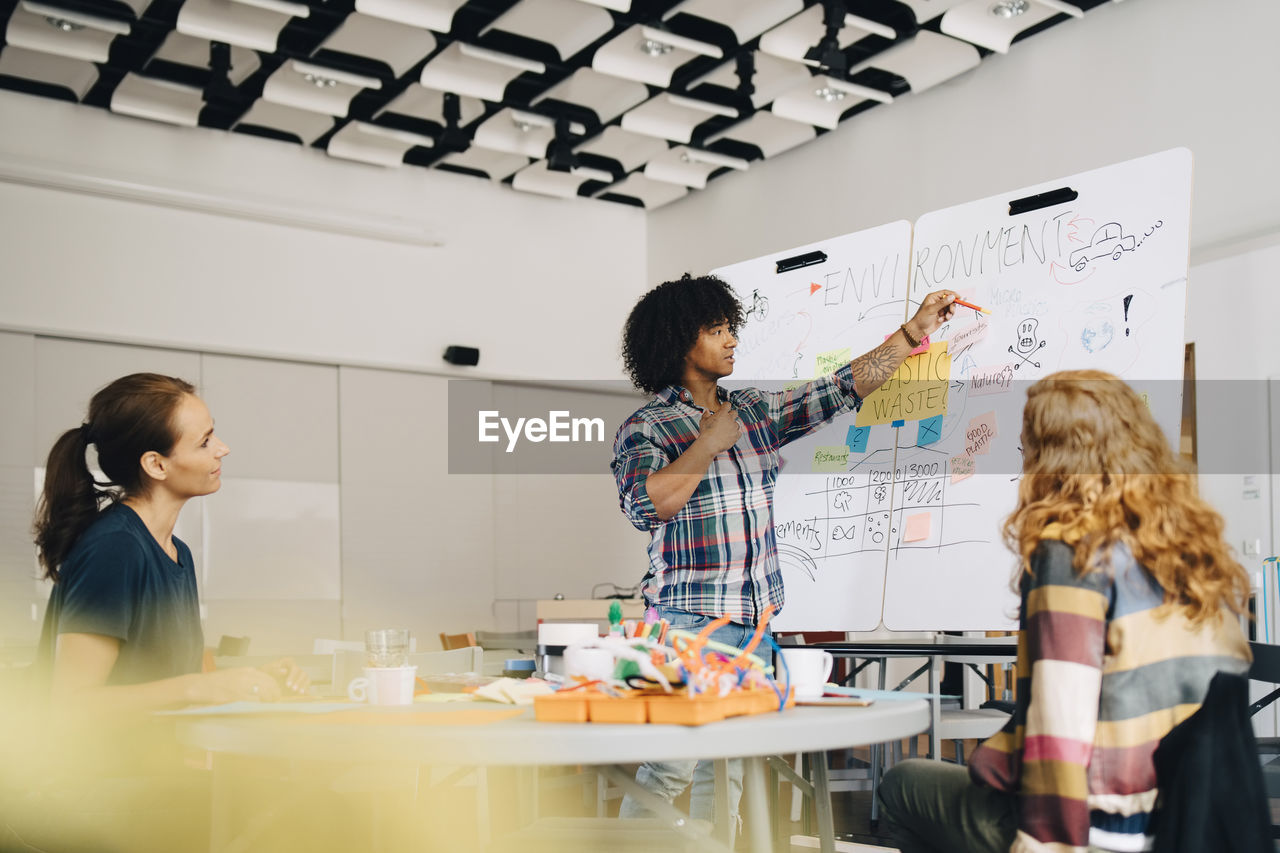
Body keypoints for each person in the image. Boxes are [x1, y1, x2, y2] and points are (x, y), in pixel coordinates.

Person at [611, 273, 956, 833]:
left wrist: (914, 331)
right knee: (670, 766)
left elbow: (841, 388)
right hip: (688, 627)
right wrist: (707, 444)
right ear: (679, 341)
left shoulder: (753, 411)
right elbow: (646, 508)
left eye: (730, 328)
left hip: (756, 625)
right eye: (717, 330)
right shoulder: (645, 427)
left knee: (730, 773)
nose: (732, 341)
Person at [878, 369, 1253, 853]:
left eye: (1027, 449)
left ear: (1050, 457)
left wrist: (1042, 843)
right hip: (1189, 811)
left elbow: (1063, 712)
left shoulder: (1070, 552)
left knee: (902, 783)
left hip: (1103, 825)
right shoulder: (1193, 546)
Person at [33, 372, 308, 710]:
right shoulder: (114, 548)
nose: (223, 449)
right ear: (156, 464)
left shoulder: (178, 554)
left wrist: (247, 680)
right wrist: (198, 689)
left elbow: (163, 685)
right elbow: (70, 705)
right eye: (205, 441)